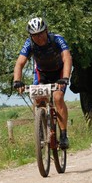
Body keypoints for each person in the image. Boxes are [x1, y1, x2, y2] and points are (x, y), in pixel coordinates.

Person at [13, 17, 73, 149]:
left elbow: (67, 58)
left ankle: (63, 135)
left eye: (40, 33)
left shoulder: (57, 39)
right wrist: (17, 80)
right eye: (34, 35)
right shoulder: (29, 43)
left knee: (58, 97)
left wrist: (65, 77)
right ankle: (40, 129)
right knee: (38, 98)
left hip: (59, 72)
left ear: (46, 31)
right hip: (42, 73)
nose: (38, 37)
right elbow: (19, 63)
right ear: (30, 36)